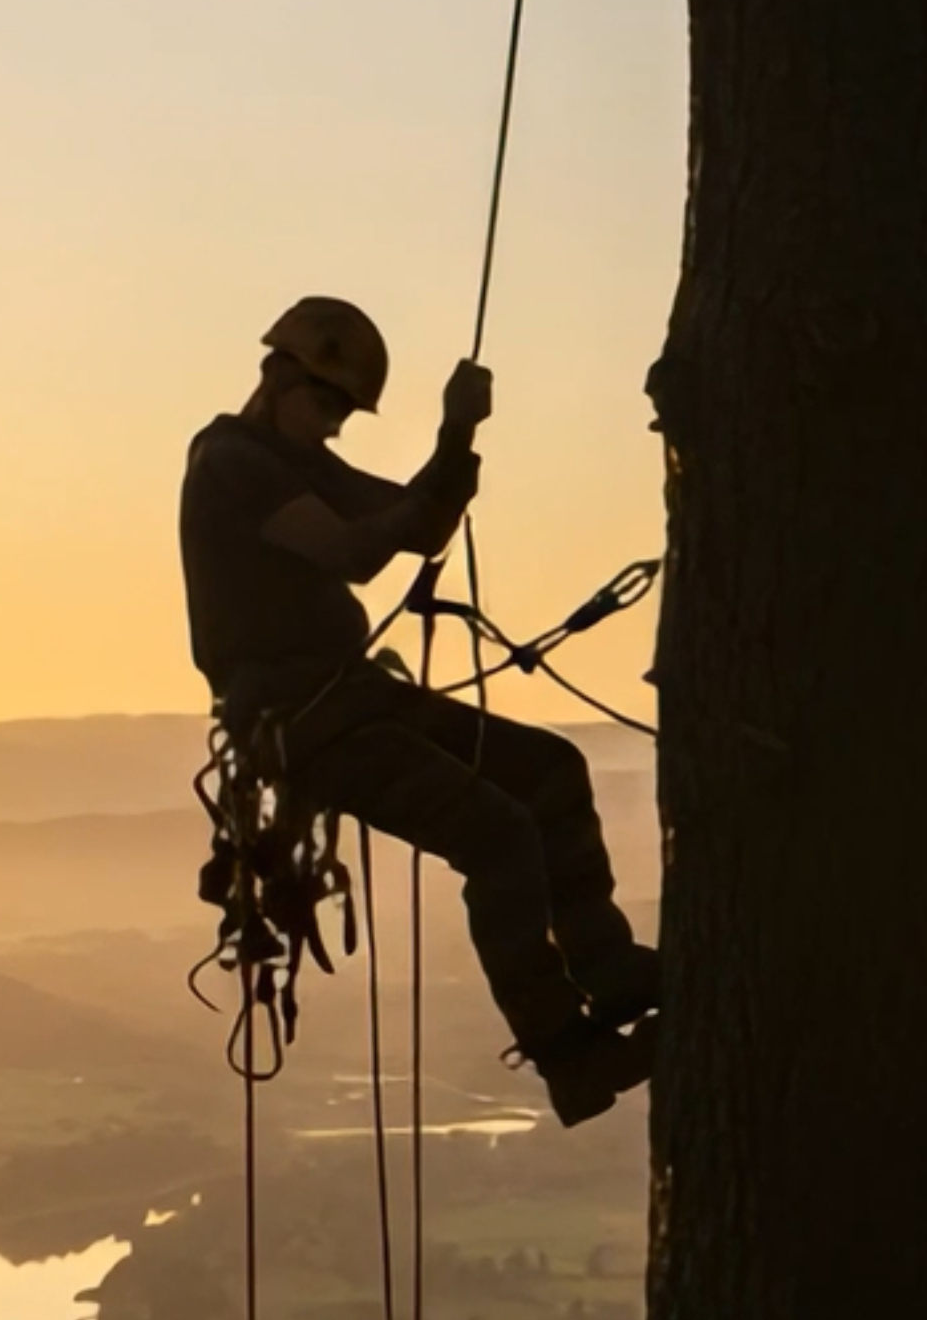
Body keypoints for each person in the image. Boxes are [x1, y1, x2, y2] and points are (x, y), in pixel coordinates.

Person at [180, 296, 659, 1126]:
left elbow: (421, 525)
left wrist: (458, 435)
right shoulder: (231, 461)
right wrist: (446, 442)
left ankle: (609, 971)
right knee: (499, 833)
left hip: (354, 701)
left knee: (552, 771)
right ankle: (569, 1056)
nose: (333, 426)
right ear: (276, 375)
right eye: (326, 404)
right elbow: (358, 553)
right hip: (304, 724)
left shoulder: (298, 462)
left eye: (342, 412)